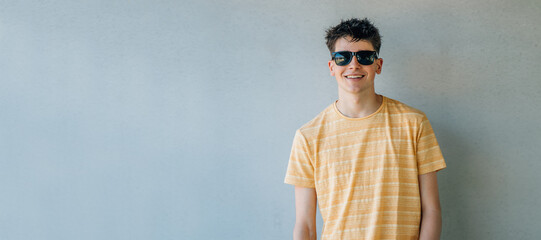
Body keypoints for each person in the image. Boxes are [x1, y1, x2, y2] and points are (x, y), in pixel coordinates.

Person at [284, 18, 447, 240]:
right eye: (343, 57)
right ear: (332, 67)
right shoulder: (308, 136)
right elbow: (305, 226)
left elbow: (432, 210)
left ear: (378, 65)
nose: (353, 65)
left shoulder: (414, 123)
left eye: (364, 56)